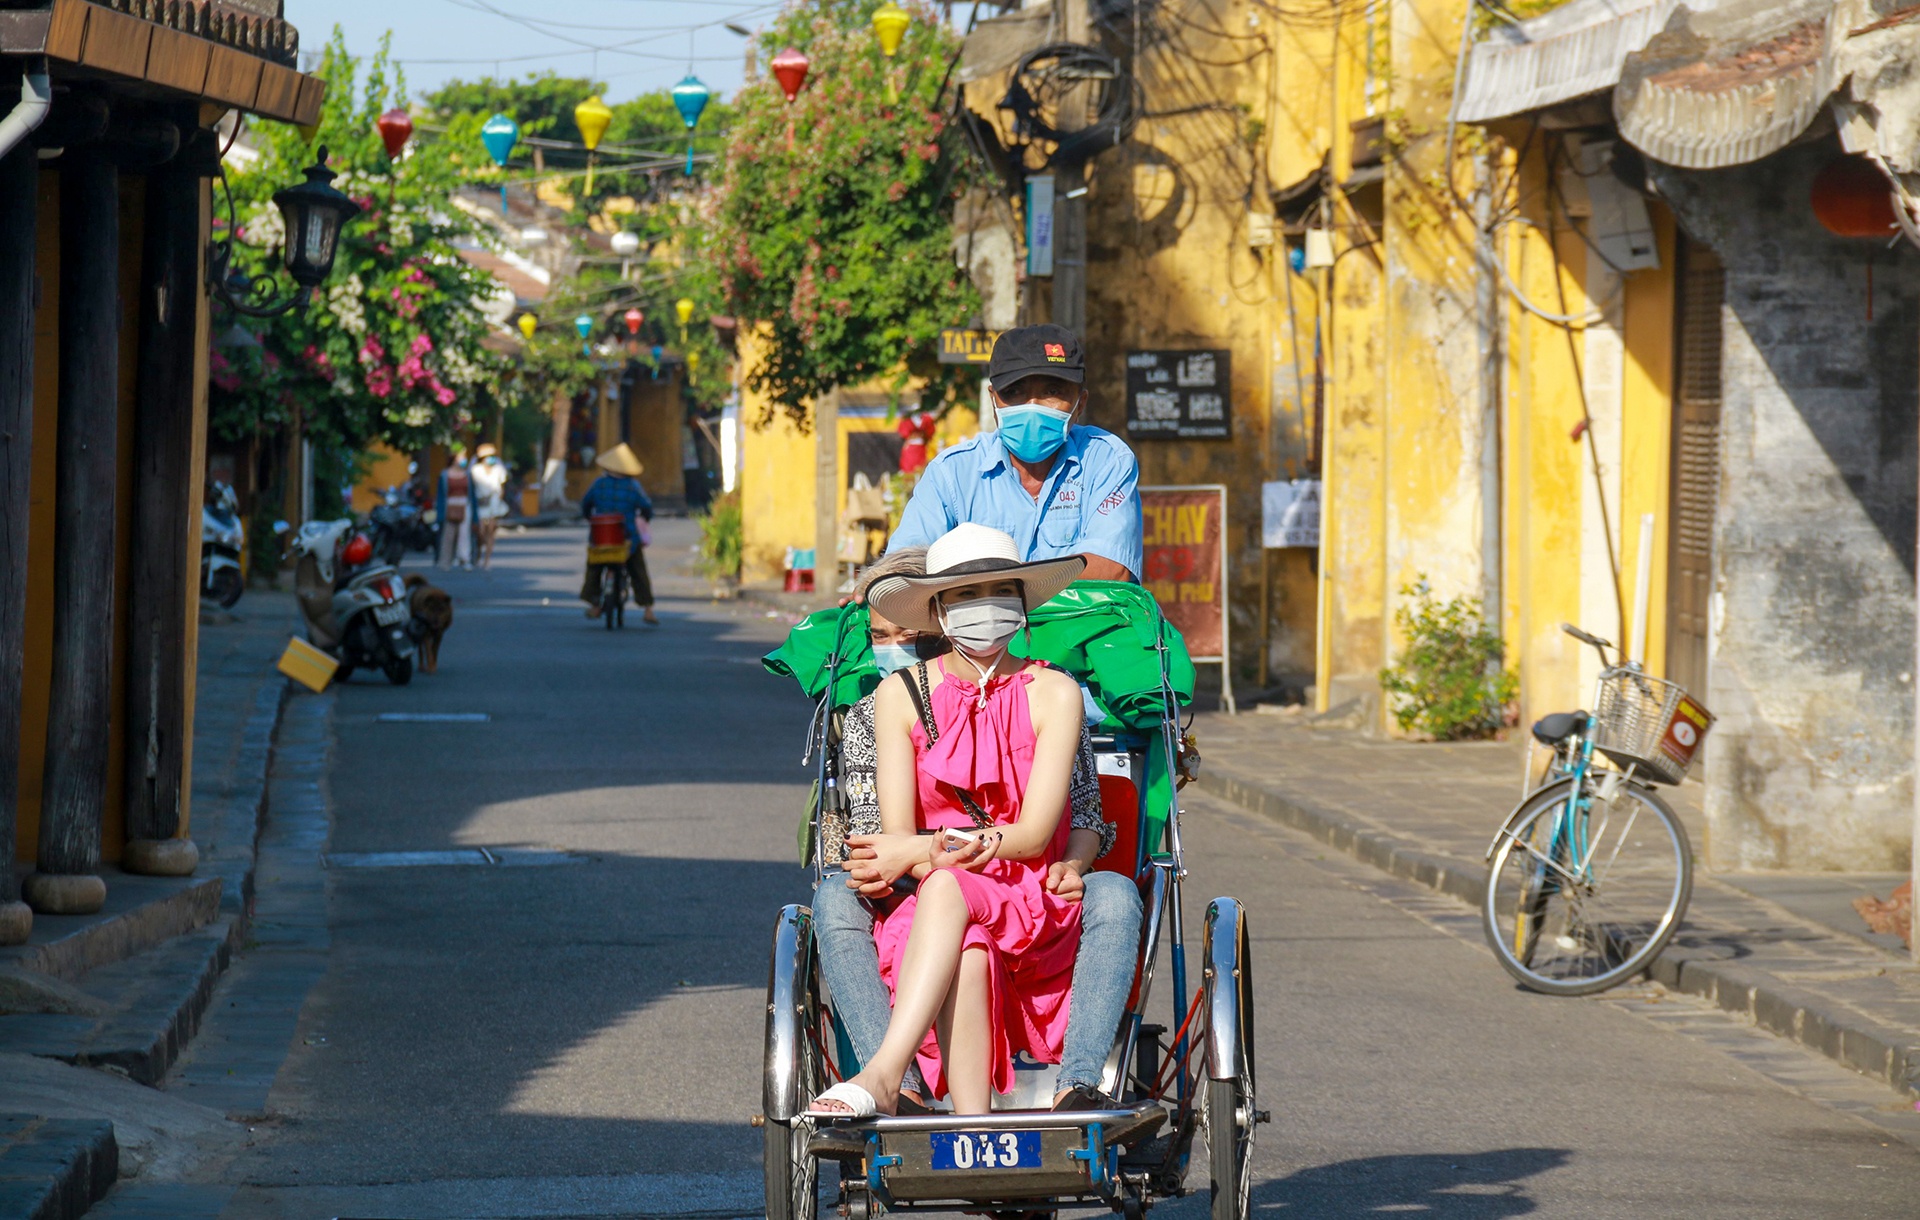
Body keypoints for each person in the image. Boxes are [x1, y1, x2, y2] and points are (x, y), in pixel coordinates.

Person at [811, 548, 1141, 1130]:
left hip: (1028, 891)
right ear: (938, 611)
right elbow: (889, 836)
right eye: (964, 596)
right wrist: (917, 854)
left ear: (1020, 604)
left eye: (996, 594)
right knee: (943, 909)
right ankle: (962, 1127)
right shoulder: (896, 697)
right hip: (931, 895)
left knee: (967, 884)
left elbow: (1034, 834)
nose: (982, 610)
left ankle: (886, 1078)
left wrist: (921, 849)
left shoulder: (1055, 691)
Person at [890, 325, 1143, 583]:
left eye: (1052, 392)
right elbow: (904, 566)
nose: (1032, 407)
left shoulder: (1106, 460)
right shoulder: (952, 474)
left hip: (1079, 623)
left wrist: (994, 585)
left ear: (1081, 403)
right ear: (993, 400)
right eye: (1013, 392)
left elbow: (1112, 569)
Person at [579, 442, 658, 625]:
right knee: (638, 570)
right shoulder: (633, 486)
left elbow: (585, 504)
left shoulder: (599, 484)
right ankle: (648, 609)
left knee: (594, 567)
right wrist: (645, 517)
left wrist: (590, 518)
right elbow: (646, 506)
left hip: (600, 538)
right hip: (626, 539)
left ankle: (594, 603)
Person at [471, 443, 508, 569]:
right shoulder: (475, 470)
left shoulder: (499, 469)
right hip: (481, 503)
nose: (490, 458)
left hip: (494, 503)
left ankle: (487, 560)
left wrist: (499, 500)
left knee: (491, 531)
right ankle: (479, 552)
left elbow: (501, 488)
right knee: (481, 531)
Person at [435, 447, 474, 570]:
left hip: (464, 505)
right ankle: (445, 561)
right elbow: (441, 495)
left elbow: (471, 494)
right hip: (450, 505)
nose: (463, 460)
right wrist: (440, 513)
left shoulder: (467, 474)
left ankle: (465, 559)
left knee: (464, 534)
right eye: (461, 457)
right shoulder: (445, 475)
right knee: (448, 534)